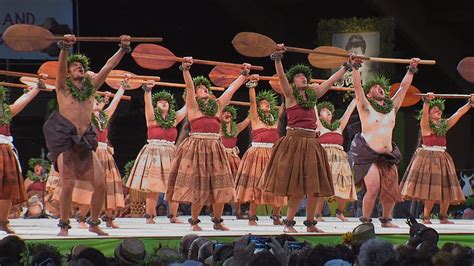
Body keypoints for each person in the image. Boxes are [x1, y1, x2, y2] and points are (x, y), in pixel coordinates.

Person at [43, 34, 131, 236]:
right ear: (68, 73)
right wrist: (65, 47)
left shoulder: (91, 89)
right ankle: (64, 225)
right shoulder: (63, 88)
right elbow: (61, 67)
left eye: (81, 66)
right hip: (66, 140)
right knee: (67, 184)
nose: (79, 68)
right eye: (75, 67)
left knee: (100, 183)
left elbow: (108, 67)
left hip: (85, 141)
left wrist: (122, 48)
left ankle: (93, 222)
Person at [260, 43, 350, 233]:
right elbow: (282, 77)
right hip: (294, 142)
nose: (303, 77)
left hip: (312, 143)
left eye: (304, 76)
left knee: (314, 186)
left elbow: (330, 82)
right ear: (293, 82)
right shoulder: (290, 95)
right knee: (297, 188)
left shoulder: (313, 95)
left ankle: (310, 224)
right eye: (299, 76)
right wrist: (278, 59)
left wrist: (345, 67)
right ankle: (288, 223)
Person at [165, 57, 250, 231]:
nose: (204, 89)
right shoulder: (193, 106)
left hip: (215, 147)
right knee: (198, 185)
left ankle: (218, 221)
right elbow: (189, 86)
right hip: (197, 147)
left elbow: (231, 90)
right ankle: (195, 222)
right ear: (195, 94)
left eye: (205, 88)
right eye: (200, 88)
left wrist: (243, 75)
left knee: (222, 184)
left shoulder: (218, 105)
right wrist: (186, 70)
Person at [350, 56, 420, 227]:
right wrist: (355, 67)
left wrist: (411, 69)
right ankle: (366, 221)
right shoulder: (365, 107)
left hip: (387, 155)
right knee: (373, 189)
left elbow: (403, 88)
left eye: (381, 87)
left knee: (391, 191)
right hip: (368, 155)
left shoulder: (391, 109)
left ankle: (386, 220)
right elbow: (357, 87)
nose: (380, 88)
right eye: (375, 87)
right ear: (368, 94)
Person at [400, 93, 473, 224]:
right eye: (435, 109)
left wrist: (469, 103)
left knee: (448, 189)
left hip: (442, 158)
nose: (439, 110)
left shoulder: (444, 125)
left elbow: (457, 114)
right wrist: (427, 101)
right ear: (429, 113)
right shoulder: (426, 125)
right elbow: (424, 115)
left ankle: (443, 217)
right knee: (432, 191)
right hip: (428, 158)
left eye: (440, 109)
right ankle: (426, 217)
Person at [126, 85, 187, 224]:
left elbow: (188, 106)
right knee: (153, 187)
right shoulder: (152, 118)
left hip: (171, 153)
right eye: (160, 101)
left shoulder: (174, 119)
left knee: (173, 187)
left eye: (166, 102)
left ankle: (173, 216)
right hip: (154, 153)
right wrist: (148, 91)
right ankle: (150, 216)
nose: (164, 102)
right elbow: (148, 104)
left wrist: (191, 92)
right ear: (156, 105)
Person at [235, 76, 286, 226]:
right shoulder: (255, 118)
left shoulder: (275, 121)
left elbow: (284, 107)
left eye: (267, 104)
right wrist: (252, 86)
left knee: (278, 186)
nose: (266, 105)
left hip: (273, 155)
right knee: (255, 185)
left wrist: (285, 91)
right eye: (262, 104)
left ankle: (276, 216)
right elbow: (252, 103)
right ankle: (252, 217)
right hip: (257, 154)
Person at [0, 77, 46, 234]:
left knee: (6, 189)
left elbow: (19, 104)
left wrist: (37, 88)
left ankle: (2, 221)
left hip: (5, 149)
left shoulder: (5, 111)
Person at [92, 80, 128, 228]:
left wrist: (122, 88)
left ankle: (109, 218)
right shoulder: (85, 117)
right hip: (91, 154)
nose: (94, 103)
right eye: (92, 101)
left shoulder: (104, 116)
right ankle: (83, 218)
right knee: (90, 187)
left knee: (110, 185)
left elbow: (115, 103)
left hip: (104, 154)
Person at [316, 99, 357, 222]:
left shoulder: (338, 125)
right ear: (319, 116)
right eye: (324, 111)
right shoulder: (319, 125)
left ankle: (339, 212)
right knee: (322, 187)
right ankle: (317, 214)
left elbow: (348, 112)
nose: (328, 113)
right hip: (325, 158)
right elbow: (312, 107)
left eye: (329, 112)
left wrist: (356, 98)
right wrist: (311, 92)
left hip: (340, 159)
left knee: (344, 185)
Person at [219, 105, 250, 219]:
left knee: (236, 185)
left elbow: (248, 119)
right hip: (221, 157)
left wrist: (255, 107)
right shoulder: (217, 128)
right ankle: (217, 211)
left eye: (230, 114)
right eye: (224, 113)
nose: (227, 115)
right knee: (220, 184)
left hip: (233, 158)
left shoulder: (236, 128)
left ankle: (237, 211)